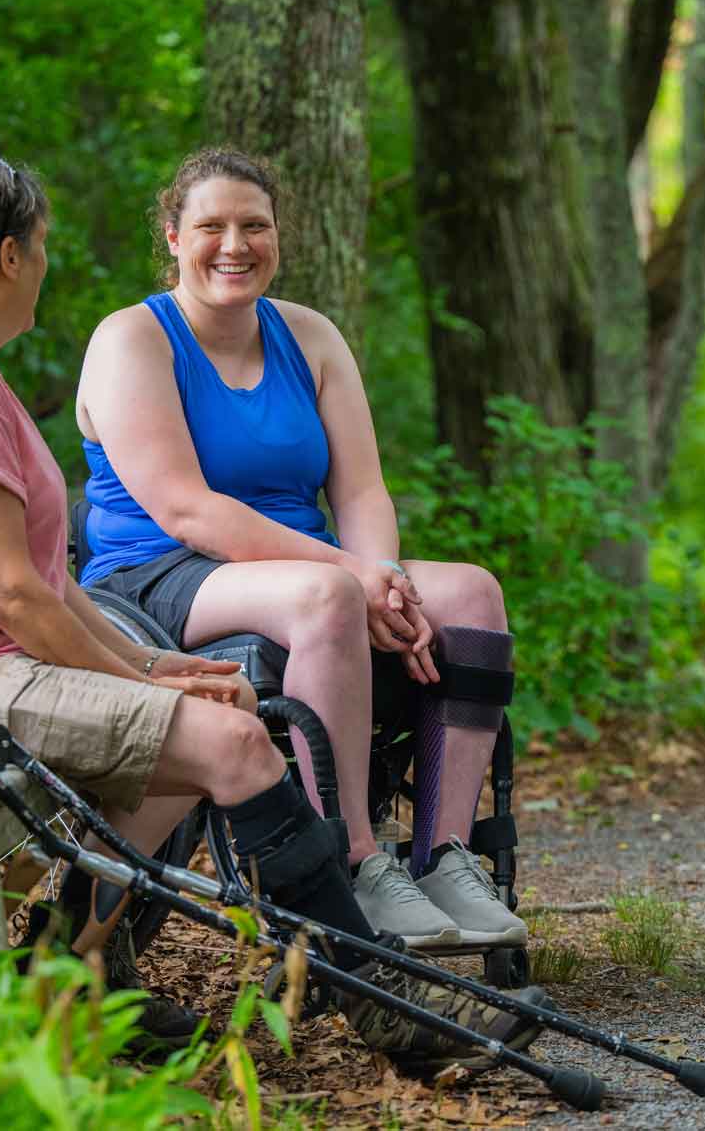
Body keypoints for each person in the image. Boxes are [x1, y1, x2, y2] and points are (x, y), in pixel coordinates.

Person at [0, 148, 542, 1065]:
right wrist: (136, 678)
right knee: (231, 739)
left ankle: (72, 969)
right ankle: (397, 1014)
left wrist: (154, 669)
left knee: (221, 706)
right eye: (38, 246)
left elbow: (43, 582)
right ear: (7, 256)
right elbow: (6, 592)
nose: (44, 264)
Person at [73, 145, 526, 953]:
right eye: (211, 225)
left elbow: (359, 493)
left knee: (471, 595)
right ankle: (347, 864)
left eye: (255, 225)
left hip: (307, 567)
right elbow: (188, 510)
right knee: (325, 598)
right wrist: (351, 577)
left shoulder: (311, 337)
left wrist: (384, 578)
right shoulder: (131, 340)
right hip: (160, 575)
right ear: (173, 236)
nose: (234, 245)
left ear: (280, 235)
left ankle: (443, 856)